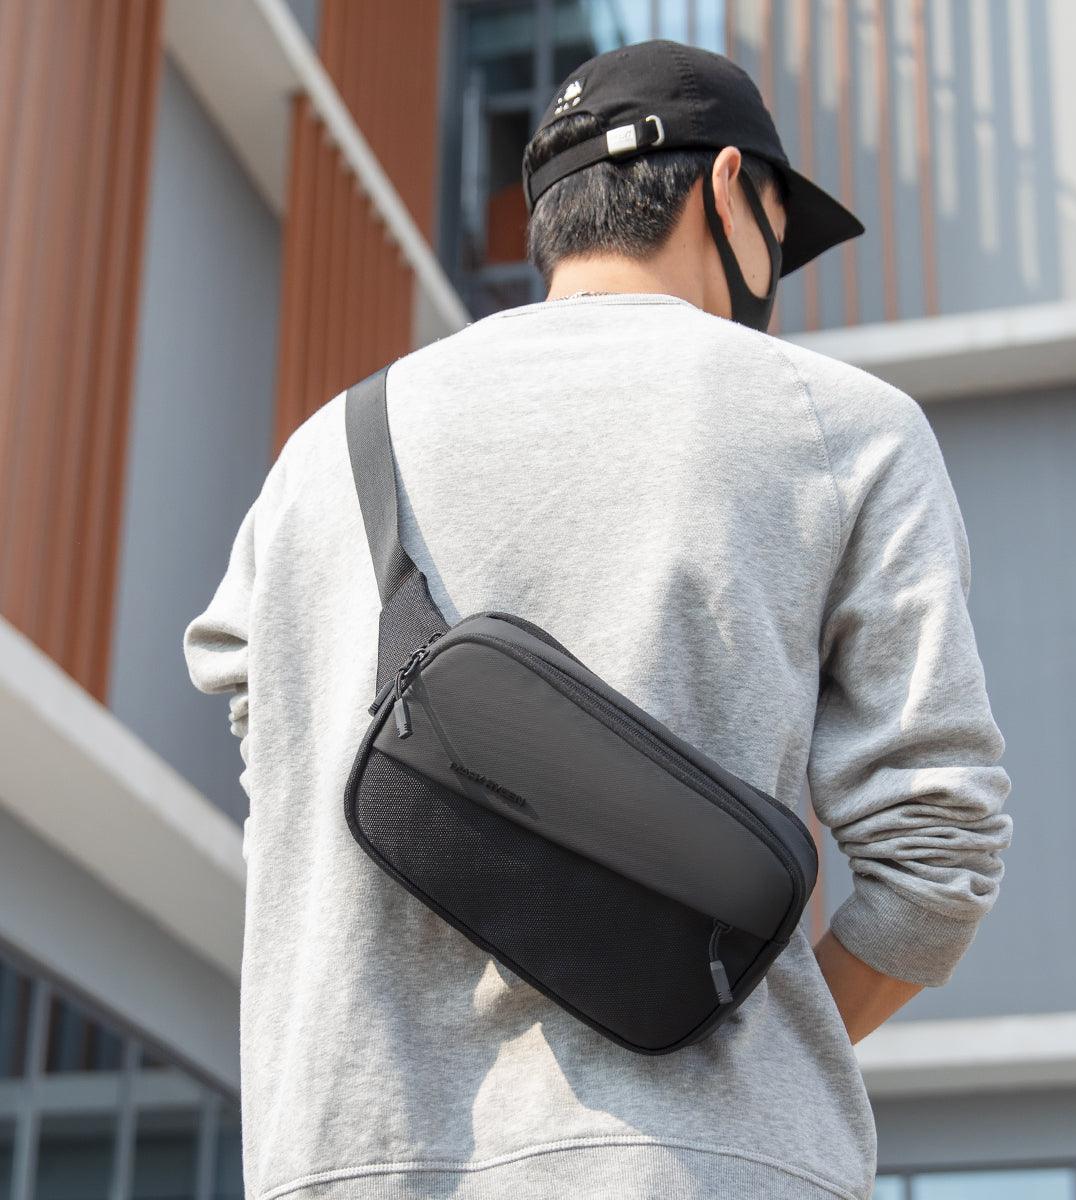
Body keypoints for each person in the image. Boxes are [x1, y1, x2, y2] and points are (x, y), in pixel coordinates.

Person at [183, 37, 1012, 1200]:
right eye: (781, 234)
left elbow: (261, 739)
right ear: (730, 188)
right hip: (692, 1170)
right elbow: (937, 860)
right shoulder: (845, 430)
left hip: (344, 1162)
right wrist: (742, 1060)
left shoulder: (326, 451)